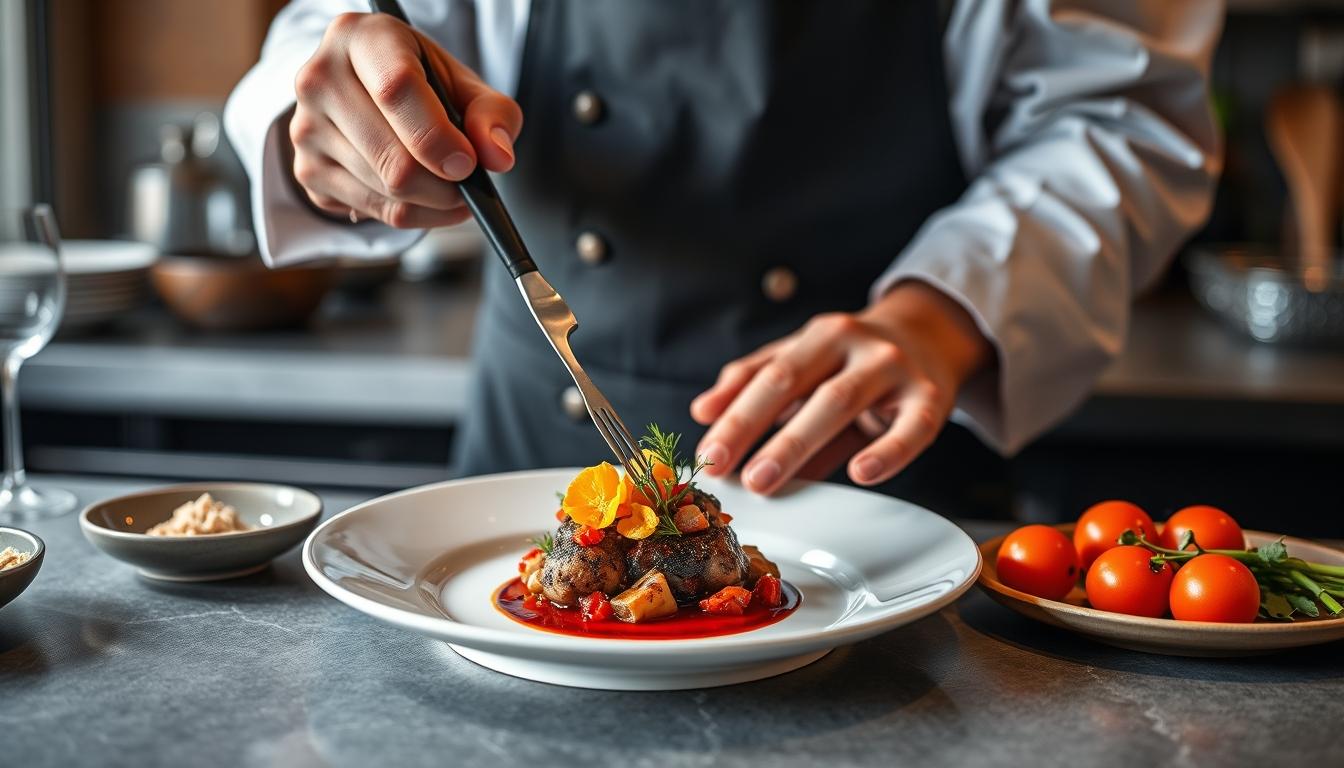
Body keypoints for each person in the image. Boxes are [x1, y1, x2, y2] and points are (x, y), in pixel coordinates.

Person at [225, 0, 1223, 496]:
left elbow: (1124, 117)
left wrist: (942, 315)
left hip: (884, 469)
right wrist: (332, 119)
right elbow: (343, 33)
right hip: (525, 466)